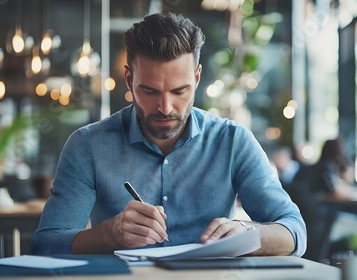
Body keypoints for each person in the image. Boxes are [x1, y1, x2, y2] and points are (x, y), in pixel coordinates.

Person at [30, 12, 306, 257]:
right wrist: (108, 234)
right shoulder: (87, 145)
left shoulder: (233, 141)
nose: (165, 107)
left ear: (197, 78)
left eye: (179, 91)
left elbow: (295, 231)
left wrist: (250, 235)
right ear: (129, 80)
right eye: (149, 91)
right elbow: (46, 244)